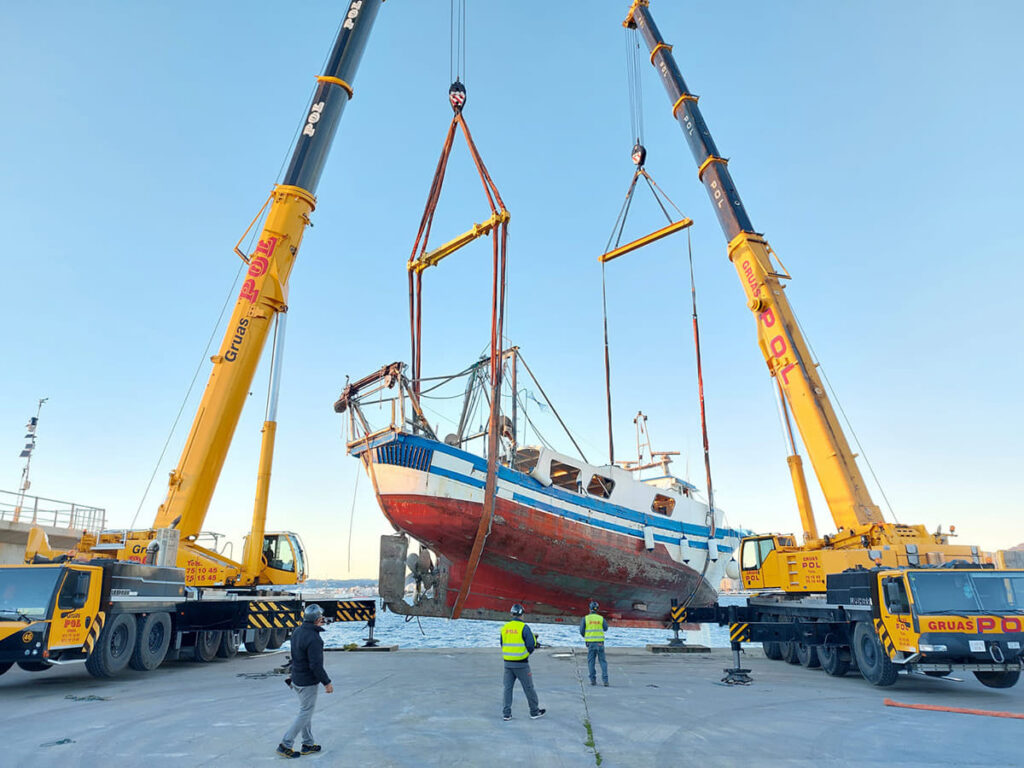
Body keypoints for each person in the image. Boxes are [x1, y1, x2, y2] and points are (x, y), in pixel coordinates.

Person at [277, 604, 334, 758]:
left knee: (305, 711)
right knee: (305, 713)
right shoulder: (314, 639)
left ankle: (308, 743)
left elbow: (296, 655)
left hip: (296, 678)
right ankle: (285, 744)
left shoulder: (297, 631)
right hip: (307, 682)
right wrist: (327, 682)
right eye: (321, 617)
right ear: (317, 619)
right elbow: (315, 665)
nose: (323, 619)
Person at [501, 603, 545, 721]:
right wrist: (526, 654)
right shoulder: (524, 628)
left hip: (507, 663)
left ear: (512, 614)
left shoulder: (505, 628)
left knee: (507, 689)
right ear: (522, 614)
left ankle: (506, 714)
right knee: (528, 688)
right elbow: (531, 645)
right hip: (521, 664)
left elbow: (502, 643)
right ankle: (534, 712)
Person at [579, 600, 609, 686]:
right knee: (603, 662)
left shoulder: (585, 618)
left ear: (589, 609)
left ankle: (593, 680)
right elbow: (606, 628)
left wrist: (586, 636)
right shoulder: (601, 618)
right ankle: (605, 680)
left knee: (591, 662)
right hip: (600, 643)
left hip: (591, 643)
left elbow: (581, 630)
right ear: (597, 609)